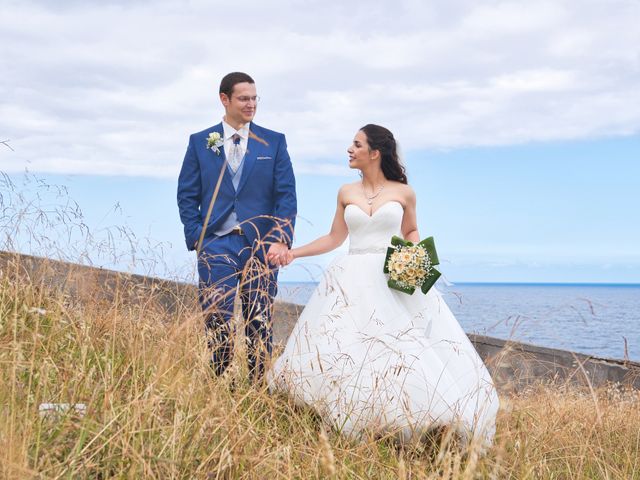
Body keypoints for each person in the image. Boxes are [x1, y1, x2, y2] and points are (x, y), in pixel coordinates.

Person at [269, 124, 499, 445]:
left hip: (391, 276)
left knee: (402, 347)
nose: (350, 149)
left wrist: (415, 255)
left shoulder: (404, 193)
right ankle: (350, 420)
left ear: (374, 153)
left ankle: (405, 421)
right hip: (350, 277)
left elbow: (411, 230)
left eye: (357, 144)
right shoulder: (345, 192)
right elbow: (335, 238)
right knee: (346, 345)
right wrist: (294, 253)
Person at [177, 72, 296, 381]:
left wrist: (281, 240)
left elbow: (286, 196)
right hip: (216, 243)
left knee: (260, 321)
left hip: (262, 247)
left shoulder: (274, 142)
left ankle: (259, 389)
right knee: (217, 318)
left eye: (255, 98)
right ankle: (221, 386)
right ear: (224, 99)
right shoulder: (200, 142)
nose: (251, 104)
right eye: (244, 98)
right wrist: (198, 238)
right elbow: (187, 195)